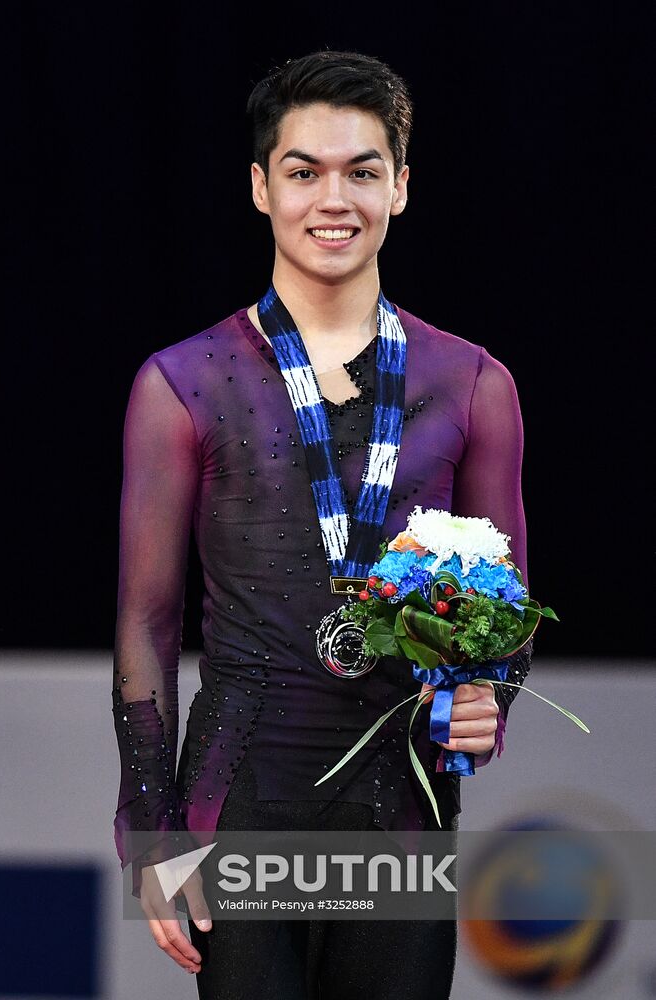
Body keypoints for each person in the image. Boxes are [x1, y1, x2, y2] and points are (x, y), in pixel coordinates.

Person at [111, 50, 533, 999]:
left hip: (403, 811)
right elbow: (147, 620)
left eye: (362, 170)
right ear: (261, 187)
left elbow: (508, 617)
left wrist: (487, 703)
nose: (331, 198)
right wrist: (149, 826)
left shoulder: (471, 384)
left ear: (402, 186)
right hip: (241, 807)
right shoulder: (181, 384)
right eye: (303, 171)